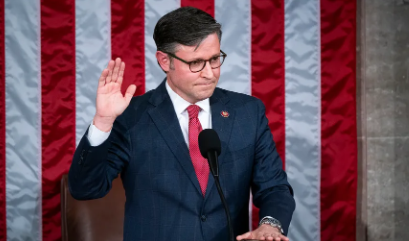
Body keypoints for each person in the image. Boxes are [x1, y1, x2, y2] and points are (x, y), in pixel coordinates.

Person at [69, 6, 295, 241]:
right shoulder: (131, 117)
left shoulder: (247, 112)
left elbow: (274, 187)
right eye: (196, 63)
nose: (210, 73)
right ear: (165, 61)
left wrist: (271, 225)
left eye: (215, 59)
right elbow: (86, 189)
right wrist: (103, 121)